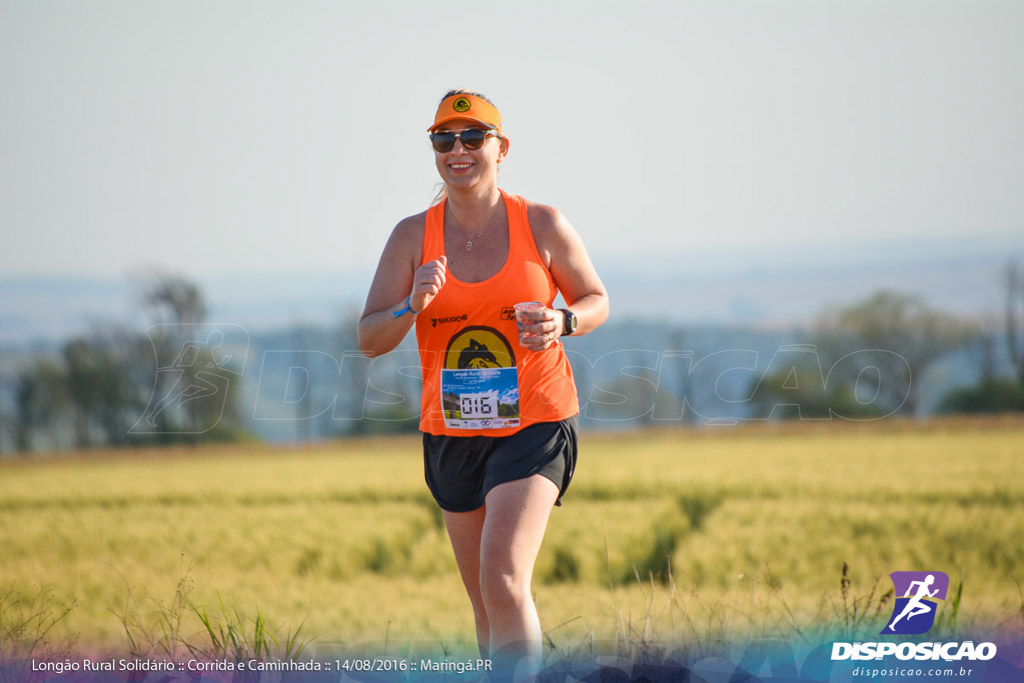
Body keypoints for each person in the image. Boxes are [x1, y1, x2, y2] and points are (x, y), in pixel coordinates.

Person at [358, 89, 609, 677]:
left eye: (473, 138)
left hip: (535, 421)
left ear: (502, 147)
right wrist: (411, 306)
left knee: (502, 578)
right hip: (451, 431)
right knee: (482, 604)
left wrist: (563, 320)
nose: (458, 151)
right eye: (444, 140)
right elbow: (369, 338)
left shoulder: (541, 223)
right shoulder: (411, 236)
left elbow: (596, 300)